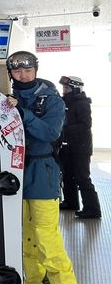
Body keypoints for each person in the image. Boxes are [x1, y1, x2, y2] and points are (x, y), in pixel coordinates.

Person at [0, 51, 76, 284]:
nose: (23, 75)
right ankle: (34, 279)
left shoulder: (52, 100)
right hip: (14, 173)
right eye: (17, 71)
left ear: (36, 69)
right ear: (10, 73)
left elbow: (50, 133)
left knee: (47, 237)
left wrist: (21, 113)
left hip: (42, 172)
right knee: (25, 236)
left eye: (27, 70)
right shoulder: (7, 99)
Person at [58, 76, 101, 219]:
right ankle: (71, 202)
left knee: (82, 178)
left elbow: (85, 125)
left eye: (67, 88)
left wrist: (64, 129)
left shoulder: (82, 104)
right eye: (64, 88)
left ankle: (92, 209)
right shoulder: (64, 102)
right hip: (67, 146)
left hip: (81, 148)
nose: (64, 91)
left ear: (76, 89)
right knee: (68, 176)